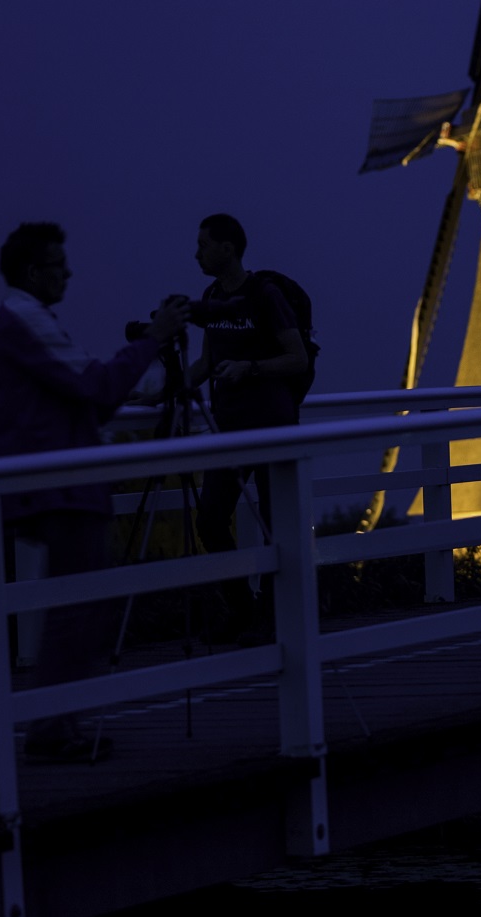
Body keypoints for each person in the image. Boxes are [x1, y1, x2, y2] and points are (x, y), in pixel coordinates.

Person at [0, 222, 189, 761]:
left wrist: (139, 375)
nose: (67, 273)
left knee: (81, 605)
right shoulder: (25, 320)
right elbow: (94, 387)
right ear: (33, 272)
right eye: (58, 265)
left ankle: (60, 724)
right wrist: (153, 340)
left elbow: (87, 394)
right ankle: (52, 729)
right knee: (77, 608)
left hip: (63, 485)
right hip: (59, 486)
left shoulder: (26, 320)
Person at [186, 213, 309, 641]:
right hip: (230, 428)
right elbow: (205, 362)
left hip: (272, 424)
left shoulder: (265, 295)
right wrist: (164, 390)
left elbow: (298, 358)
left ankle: (278, 620)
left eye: (203, 244)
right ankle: (243, 609)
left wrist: (250, 368)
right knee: (211, 518)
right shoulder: (211, 296)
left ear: (228, 248)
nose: (196, 252)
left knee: (277, 523)